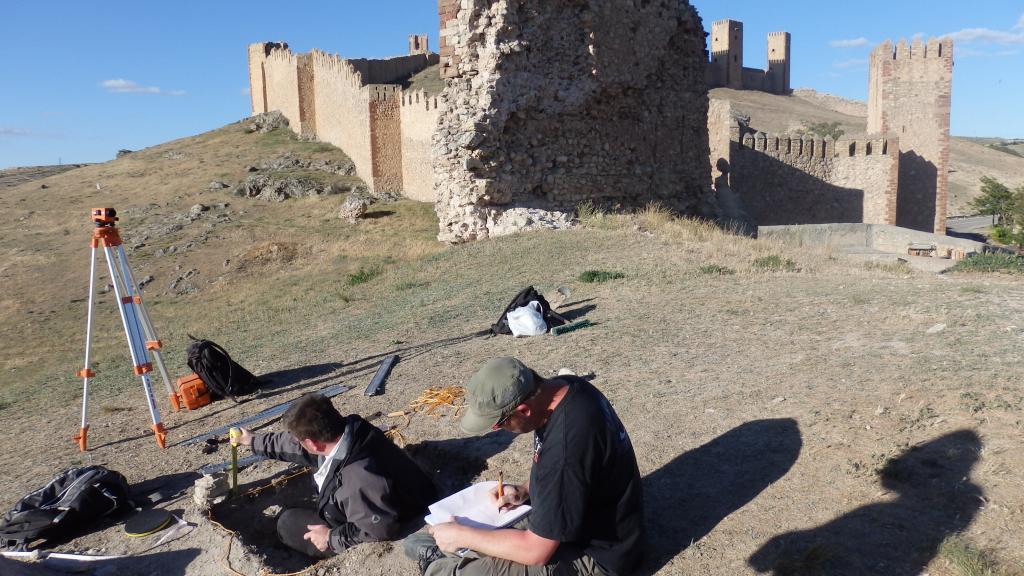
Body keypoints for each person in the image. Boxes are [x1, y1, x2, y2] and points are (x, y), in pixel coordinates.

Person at [403, 357, 643, 576]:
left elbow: (536, 552)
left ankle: (448, 566)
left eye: (497, 425)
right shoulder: (566, 387)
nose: (497, 430)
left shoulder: (566, 447)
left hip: (597, 556)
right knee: (423, 539)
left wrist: (462, 535)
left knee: (467, 569)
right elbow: (570, 478)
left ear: (523, 410)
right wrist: (524, 490)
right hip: (573, 520)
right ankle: (450, 558)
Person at [236, 393, 437, 557]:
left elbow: (381, 529)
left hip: (387, 516)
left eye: (299, 440)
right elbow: (291, 445)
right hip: (380, 500)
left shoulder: (359, 479)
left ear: (313, 444)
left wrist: (330, 537)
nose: (296, 443)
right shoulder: (346, 431)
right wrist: (252, 441)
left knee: (287, 523)